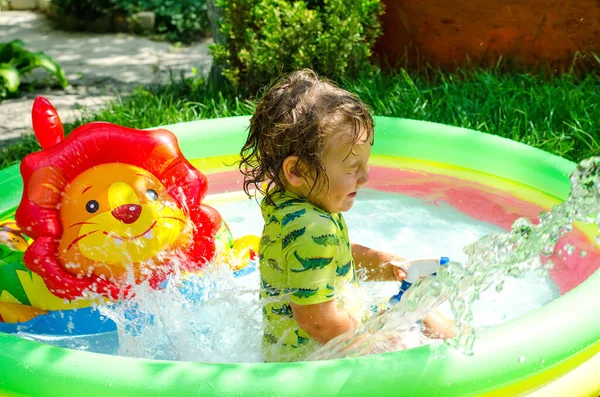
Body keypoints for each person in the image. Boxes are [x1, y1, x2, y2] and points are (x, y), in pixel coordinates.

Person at [239, 69, 455, 362]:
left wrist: (391, 266)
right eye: (353, 168)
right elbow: (317, 321)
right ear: (297, 171)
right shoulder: (313, 227)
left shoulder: (294, 208)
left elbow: (337, 256)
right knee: (423, 324)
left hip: (295, 356)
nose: (365, 177)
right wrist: (376, 344)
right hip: (316, 369)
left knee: (417, 309)